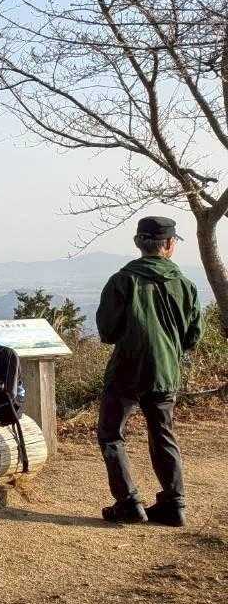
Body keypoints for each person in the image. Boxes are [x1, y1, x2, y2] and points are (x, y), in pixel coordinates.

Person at [96, 216, 203, 526]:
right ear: (169, 245)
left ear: (138, 243)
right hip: (166, 371)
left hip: (126, 370)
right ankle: (174, 504)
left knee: (111, 434)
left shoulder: (122, 281)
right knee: (162, 433)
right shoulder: (185, 284)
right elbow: (193, 336)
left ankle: (129, 503)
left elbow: (107, 331)